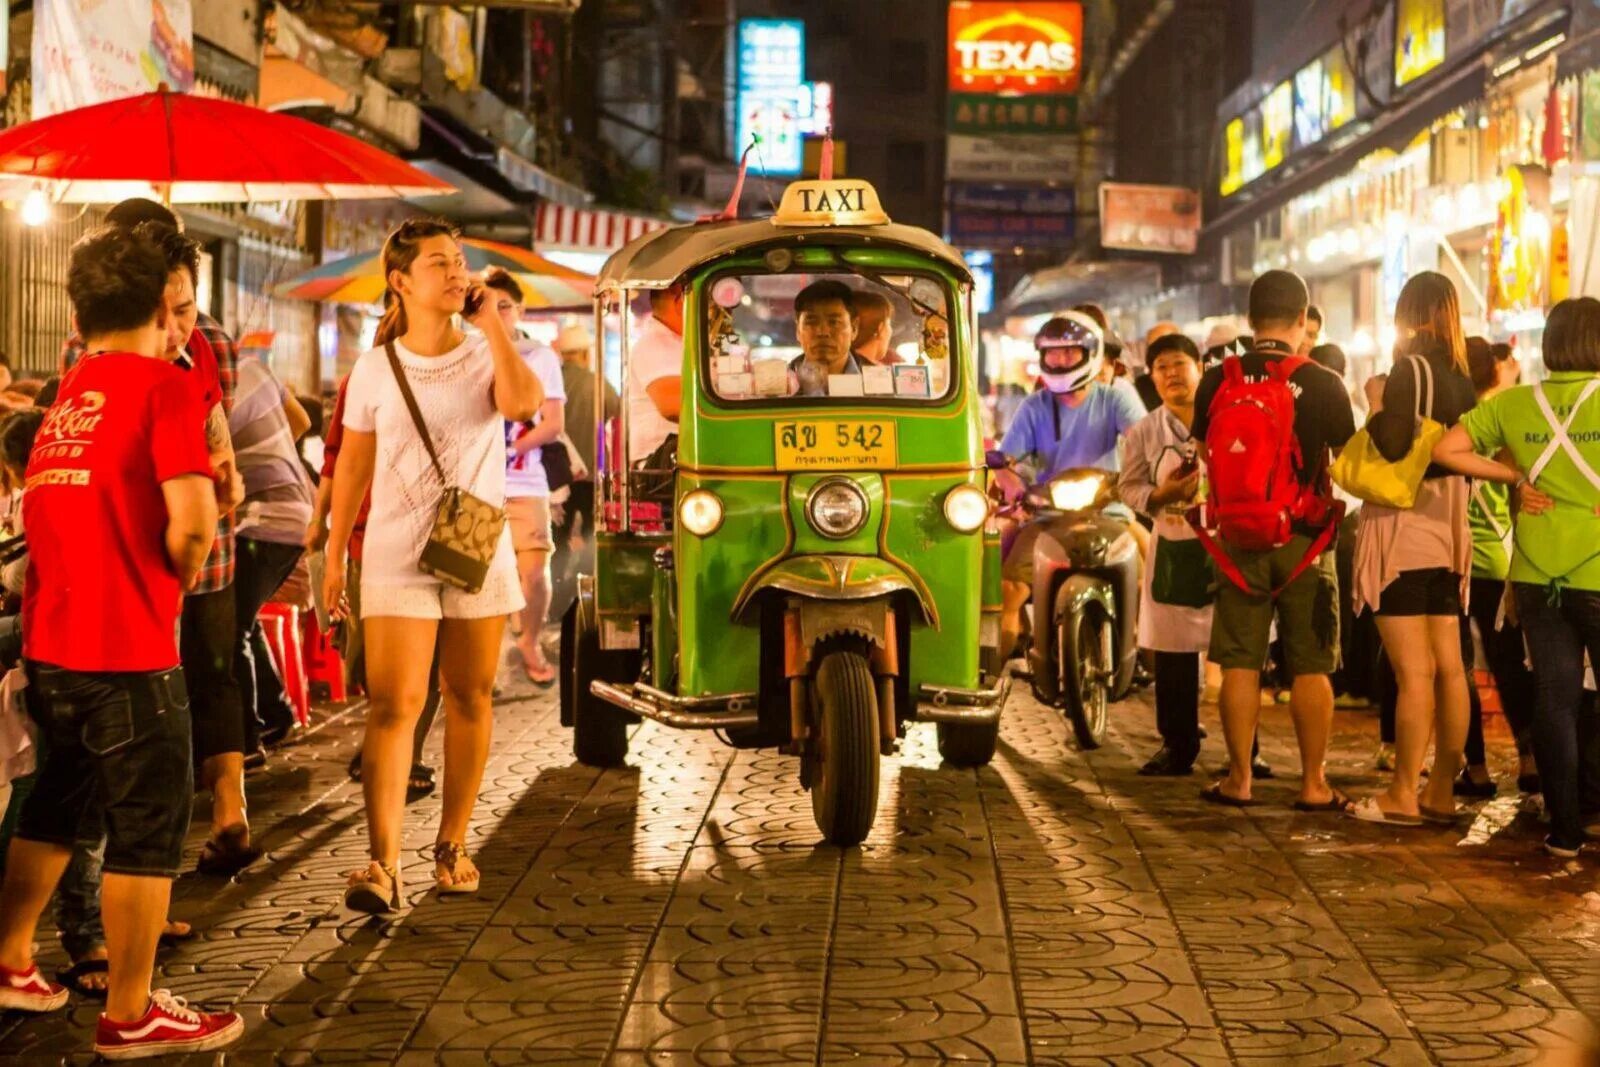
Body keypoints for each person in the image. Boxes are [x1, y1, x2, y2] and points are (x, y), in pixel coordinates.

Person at [0, 224, 242, 1057]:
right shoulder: (164, 388)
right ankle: (132, 1007)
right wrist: (168, 578)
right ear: (154, 303)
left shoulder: (71, 389)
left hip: (53, 642)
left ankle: (10, 958)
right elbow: (195, 522)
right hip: (129, 650)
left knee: (57, 800)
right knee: (147, 826)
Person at [324, 218, 542, 912]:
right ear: (400, 281)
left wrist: (495, 326)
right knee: (393, 706)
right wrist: (334, 552)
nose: (456, 273)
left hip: (474, 545)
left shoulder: (484, 352)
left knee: (470, 695)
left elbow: (523, 404)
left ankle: (452, 843)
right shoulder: (373, 367)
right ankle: (382, 862)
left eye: (460, 262)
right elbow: (353, 462)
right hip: (393, 551)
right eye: (439, 264)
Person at [62, 199, 253, 876]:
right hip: (138, 567)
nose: (176, 325)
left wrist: (209, 499)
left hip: (196, 551)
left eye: (187, 306)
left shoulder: (207, 349)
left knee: (208, 675)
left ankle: (221, 814)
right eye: (164, 308)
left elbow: (217, 451)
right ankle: (128, 893)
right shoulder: (101, 352)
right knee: (144, 733)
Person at [1435, 296, 1600, 857]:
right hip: (1597, 573)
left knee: (1554, 701)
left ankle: (1565, 831)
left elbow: (1446, 448)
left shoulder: (1516, 403)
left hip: (1535, 575)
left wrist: (1511, 473)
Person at [1191, 270, 1356, 809]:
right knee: (1311, 665)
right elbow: (1350, 467)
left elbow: (1204, 459)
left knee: (1240, 660)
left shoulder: (1218, 379)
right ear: (1304, 320)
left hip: (1238, 541)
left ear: (1250, 319)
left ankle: (1239, 779)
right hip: (1304, 543)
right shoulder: (1324, 381)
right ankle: (1313, 783)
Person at [1347, 273, 1477, 826]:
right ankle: (1441, 791)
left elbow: (1395, 443)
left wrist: (1376, 402)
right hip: (1449, 531)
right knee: (1450, 668)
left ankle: (1402, 791)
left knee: (1414, 673)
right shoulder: (1462, 378)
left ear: (1408, 312)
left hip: (1405, 530)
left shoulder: (1407, 371)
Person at [310, 373, 441, 801]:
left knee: (430, 657)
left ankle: (410, 753)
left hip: (440, 538)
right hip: (370, 539)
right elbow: (337, 458)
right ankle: (383, 733)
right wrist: (321, 525)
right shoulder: (363, 378)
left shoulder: (460, 367)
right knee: (367, 658)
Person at [996, 312, 1145, 658]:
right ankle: (993, 668)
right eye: (1053, 353)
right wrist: (1011, 481)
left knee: (1140, 580)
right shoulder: (1034, 405)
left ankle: (1139, 647)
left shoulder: (1115, 398)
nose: (1060, 360)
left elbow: (1142, 438)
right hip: (1046, 514)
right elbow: (1007, 460)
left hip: (1110, 510)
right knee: (1010, 587)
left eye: (1070, 352)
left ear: (1091, 353)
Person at [1119, 334, 1211, 775]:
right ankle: (1178, 744)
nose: (1172, 374)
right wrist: (1161, 494)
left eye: (1179, 364)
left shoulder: (1224, 417)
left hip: (1222, 547)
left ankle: (1246, 750)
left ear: (1200, 367)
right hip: (1173, 543)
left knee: (1233, 649)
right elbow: (1129, 487)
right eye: (1161, 369)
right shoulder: (1143, 431)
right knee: (1173, 651)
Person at [1455, 337, 1538, 797]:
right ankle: (1528, 760)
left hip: (1451, 558)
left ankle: (1477, 768)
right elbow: (1518, 495)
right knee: (1509, 665)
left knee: (1458, 667)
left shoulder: (1455, 424)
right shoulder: (1510, 419)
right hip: (1497, 557)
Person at [228, 340, 314, 751]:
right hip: (297, 512)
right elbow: (299, 421)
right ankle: (276, 714)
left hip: (263, 522)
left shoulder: (214, 393)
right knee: (241, 619)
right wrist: (273, 458)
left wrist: (250, 473)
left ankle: (247, 737)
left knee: (228, 628)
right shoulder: (254, 367)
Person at [484, 268, 566, 685]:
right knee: (480, 579)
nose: (498, 315)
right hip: (478, 486)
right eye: (488, 307)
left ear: (520, 310)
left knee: (535, 573)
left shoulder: (540, 357)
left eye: (505, 306)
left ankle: (529, 639)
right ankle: (488, 664)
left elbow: (552, 423)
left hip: (525, 481)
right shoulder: (470, 352)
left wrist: (512, 448)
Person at [550, 322, 619, 622]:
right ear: (585, 354)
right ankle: (583, 603)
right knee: (592, 537)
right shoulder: (599, 384)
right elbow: (617, 415)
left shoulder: (551, 383)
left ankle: (554, 605)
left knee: (555, 541)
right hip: (592, 476)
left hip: (556, 480)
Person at [628, 282, 684, 462]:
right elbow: (674, 406)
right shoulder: (656, 344)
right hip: (660, 463)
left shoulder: (678, 343)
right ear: (680, 303)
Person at [789, 280, 863, 393]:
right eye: (812, 322)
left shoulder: (877, 384)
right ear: (798, 330)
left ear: (854, 328)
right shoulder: (779, 387)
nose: (822, 332)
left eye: (834, 322)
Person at [851, 290, 899, 366]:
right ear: (880, 329)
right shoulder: (885, 374)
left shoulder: (836, 367)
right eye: (889, 324)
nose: (890, 331)